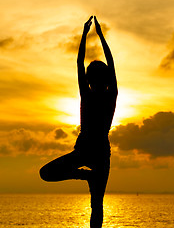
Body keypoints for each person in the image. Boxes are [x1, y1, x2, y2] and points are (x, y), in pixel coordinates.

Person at [39, 16, 117, 228]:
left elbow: (80, 63)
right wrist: (99, 36)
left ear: (92, 80)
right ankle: (86, 176)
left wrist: (86, 34)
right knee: (97, 206)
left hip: (93, 152)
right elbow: (110, 65)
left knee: (96, 204)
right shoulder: (108, 94)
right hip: (93, 152)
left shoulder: (92, 94)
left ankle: (85, 176)